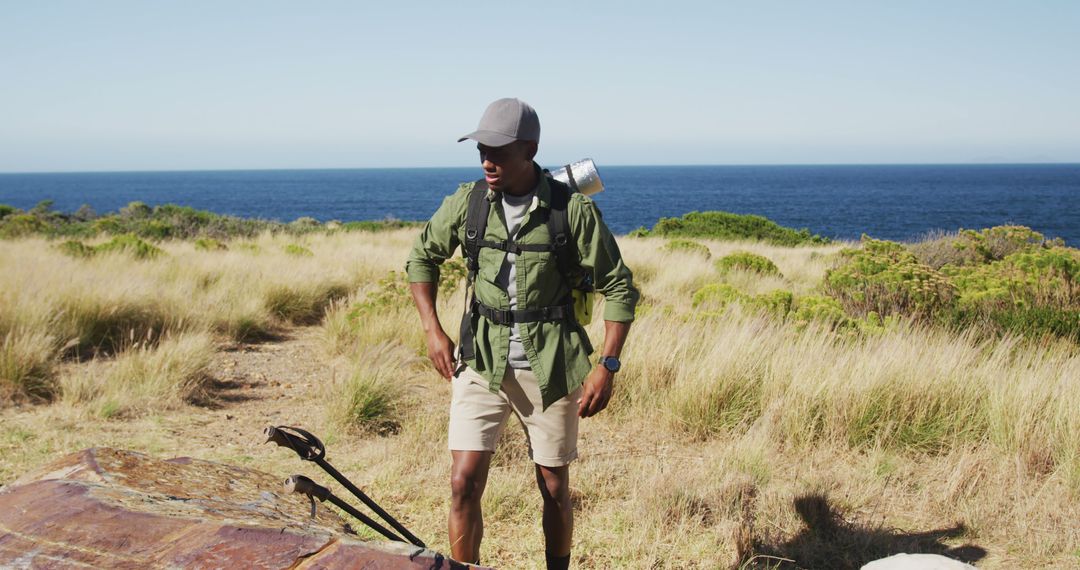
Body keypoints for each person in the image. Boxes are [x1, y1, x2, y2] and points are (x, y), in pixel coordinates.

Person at [405, 97, 638, 569]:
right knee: (462, 482)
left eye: (499, 150)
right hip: (481, 361)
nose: (487, 160)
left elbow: (619, 286)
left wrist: (607, 365)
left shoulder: (571, 211)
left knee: (553, 486)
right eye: (481, 151)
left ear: (529, 149)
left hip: (549, 364)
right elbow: (420, 257)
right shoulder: (468, 202)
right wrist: (433, 331)